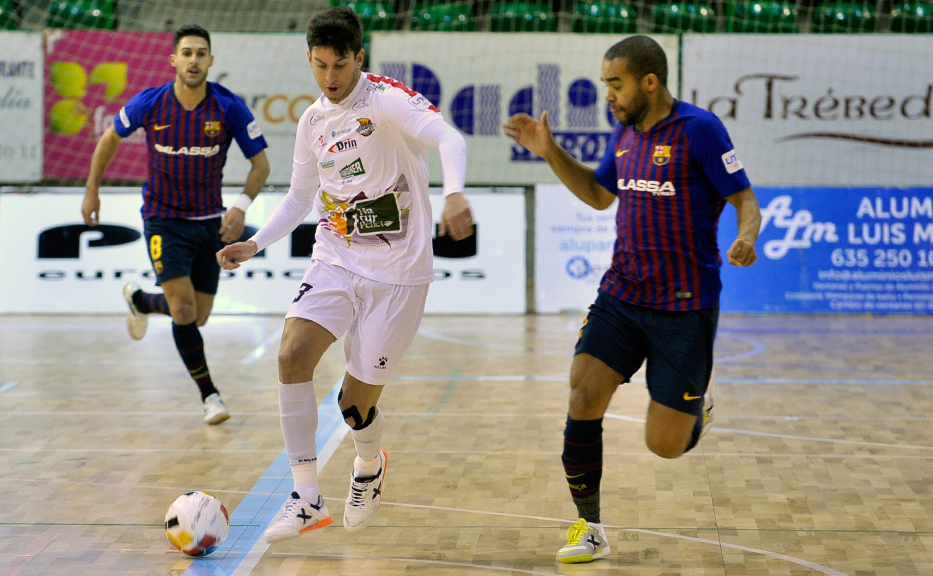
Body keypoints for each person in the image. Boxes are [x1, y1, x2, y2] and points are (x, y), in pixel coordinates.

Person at [216, 6, 474, 544]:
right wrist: (256, 243)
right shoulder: (313, 122)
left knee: (355, 407)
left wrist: (454, 196)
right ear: (308, 59)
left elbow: (451, 139)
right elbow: (299, 199)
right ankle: (307, 496)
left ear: (360, 57)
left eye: (339, 65)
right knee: (291, 355)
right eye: (319, 65)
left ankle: (367, 464)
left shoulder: (385, 99)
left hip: (399, 276)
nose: (330, 79)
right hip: (334, 258)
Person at [503, 35, 761, 564]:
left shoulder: (701, 131)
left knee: (664, 445)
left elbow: (745, 199)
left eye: (615, 85)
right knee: (582, 396)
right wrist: (551, 151)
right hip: (621, 292)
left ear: (650, 82)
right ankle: (589, 526)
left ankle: (693, 415)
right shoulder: (623, 135)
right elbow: (600, 195)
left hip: (685, 306)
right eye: (604, 86)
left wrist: (747, 237)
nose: (608, 96)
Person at [81, 24, 270, 426]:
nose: (194, 60)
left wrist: (239, 207)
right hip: (163, 220)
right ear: (174, 60)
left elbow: (262, 164)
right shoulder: (150, 103)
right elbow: (109, 140)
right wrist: (92, 190)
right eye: (186, 53)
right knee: (183, 310)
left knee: (197, 316)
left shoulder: (228, 107)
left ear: (211, 61)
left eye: (201, 53)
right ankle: (210, 395)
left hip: (210, 224)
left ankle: (142, 302)